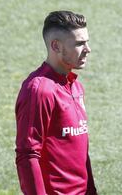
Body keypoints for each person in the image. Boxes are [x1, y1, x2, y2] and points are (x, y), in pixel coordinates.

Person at [15, 11, 97, 195]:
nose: (88, 49)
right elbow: (27, 154)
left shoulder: (76, 87)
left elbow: (81, 151)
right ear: (56, 46)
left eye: (87, 42)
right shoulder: (38, 90)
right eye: (79, 43)